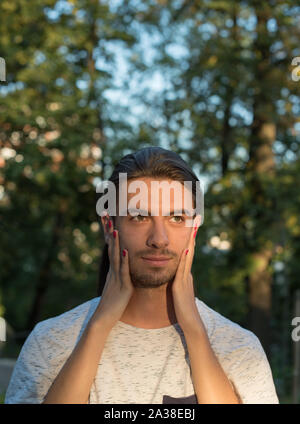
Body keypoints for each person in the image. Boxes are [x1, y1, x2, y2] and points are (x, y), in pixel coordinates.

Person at [5, 147, 279, 404]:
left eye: (176, 219)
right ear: (109, 225)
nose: (159, 239)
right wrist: (99, 325)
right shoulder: (49, 342)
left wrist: (195, 331)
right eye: (139, 217)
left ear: (194, 229)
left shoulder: (239, 349)